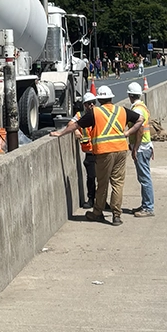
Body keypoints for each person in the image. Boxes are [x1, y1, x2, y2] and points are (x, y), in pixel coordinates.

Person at [52, 84, 139, 226]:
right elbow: (140, 120)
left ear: (99, 100)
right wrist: (128, 133)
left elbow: (76, 125)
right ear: (111, 98)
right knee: (118, 183)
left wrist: (61, 133)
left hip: (104, 151)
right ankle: (116, 216)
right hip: (121, 150)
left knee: (103, 184)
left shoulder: (95, 113)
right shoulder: (121, 110)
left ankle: (97, 213)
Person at [125, 80, 154, 216]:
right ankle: (145, 205)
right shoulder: (143, 107)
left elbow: (140, 130)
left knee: (144, 178)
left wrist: (135, 148)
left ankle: (148, 207)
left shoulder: (136, 110)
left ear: (130, 95)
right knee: (144, 177)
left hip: (141, 147)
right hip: (146, 146)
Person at [74, 90, 99, 208]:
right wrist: (75, 130)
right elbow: (71, 124)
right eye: (89, 103)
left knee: (102, 179)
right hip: (89, 152)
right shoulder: (80, 116)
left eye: (93, 102)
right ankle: (91, 199)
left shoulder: (99, 114)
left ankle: (101, 200)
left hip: (100, 151)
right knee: (91, 177)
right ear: (85, 105)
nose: (92, 105)